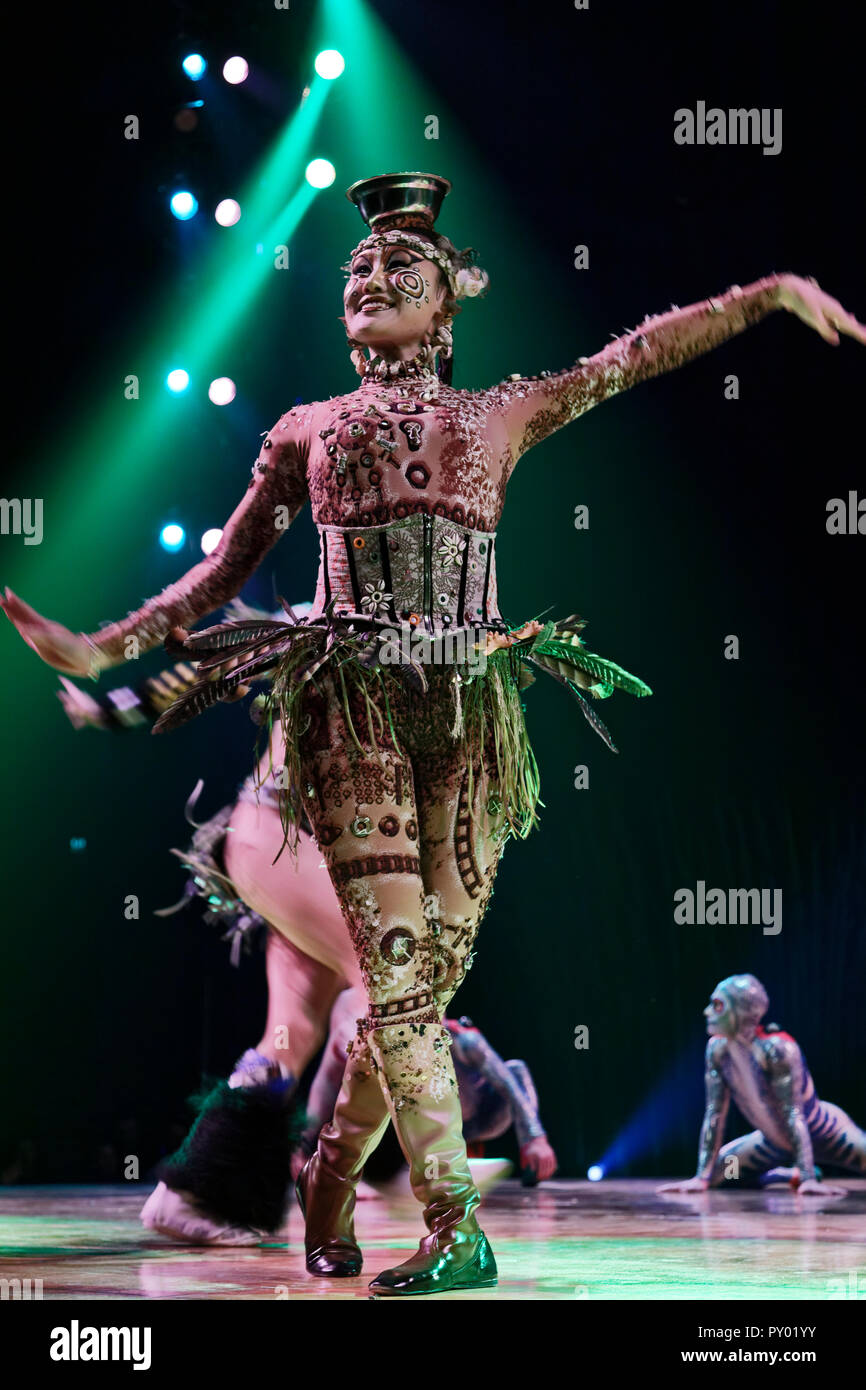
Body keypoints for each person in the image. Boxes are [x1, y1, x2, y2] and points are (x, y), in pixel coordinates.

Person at [4, 169, 863, 1295]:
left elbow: (629, 357)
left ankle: (326, 1171)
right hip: (350, 711)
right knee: (398, 970)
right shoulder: (308, 431)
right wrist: (107, 649)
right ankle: (457, 1222)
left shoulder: (496, 413)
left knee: (423, 986)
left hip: (466, 720)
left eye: (393, 269)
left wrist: (764, 294)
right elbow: (223, 573)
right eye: (355, 268)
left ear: (446, 301)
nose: (365, 278)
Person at [657, 974, 866, 1197]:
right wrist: (702, 1177)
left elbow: (794, 1114)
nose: (708, 1012)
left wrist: (808, 1178)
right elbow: (715, 1113)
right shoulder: (717, 1050)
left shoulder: (777, 1050)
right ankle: (784, 1175)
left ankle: (802, 1170)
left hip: (826, 1133)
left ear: (741, 1011)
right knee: (723, 1173)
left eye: (718, 1005)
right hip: (772, 1141)